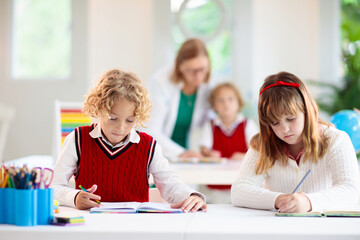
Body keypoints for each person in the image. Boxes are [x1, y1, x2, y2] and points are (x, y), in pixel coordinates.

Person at [51, 69, 207, 212]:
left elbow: (169, 183)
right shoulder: (78, 139)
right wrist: (75, 197)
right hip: (91, 226)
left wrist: (192, 196)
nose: (120, 127)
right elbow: (54, 186)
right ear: (99, 109)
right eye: (112, 118)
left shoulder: (148, 145)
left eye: (129, 120)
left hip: (135, 228)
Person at [231, 71, 360, 213]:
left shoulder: (336, 140)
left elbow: (351, 191)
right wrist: (278, 199)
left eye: (291, 118)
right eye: (275, 123)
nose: (284, 129)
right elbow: (239, 190)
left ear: (307, 111)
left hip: (325, 230)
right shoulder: (263, 144)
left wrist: (309, 202)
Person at [144, 38, 212, 160]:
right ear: (180, 66)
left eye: (202, 69)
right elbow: (150, 130)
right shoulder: (160, 82)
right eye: (192, 71)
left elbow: (210, 122)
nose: (198, 76)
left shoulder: (206, 87)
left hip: (185, 154)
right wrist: (180, 153)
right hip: (157, 154)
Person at [200, 82, 257, 160]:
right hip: (217, 170)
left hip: (242, 169)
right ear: (214, 106)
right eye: (220, 100)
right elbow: (204, 148)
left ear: (238, 103)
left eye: (230, 99)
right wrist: (209, 153)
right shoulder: (210, 125)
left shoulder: (247, 124)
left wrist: (244, 156)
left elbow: (257, 150)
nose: (226, 104)